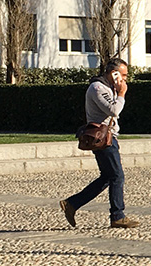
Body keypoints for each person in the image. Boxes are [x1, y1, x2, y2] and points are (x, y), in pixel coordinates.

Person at [60, 58, 140, 229]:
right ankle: (117, 216)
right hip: (102, 139)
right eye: (123, 75)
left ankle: (72, 204)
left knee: (107, 177)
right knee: (117, 176)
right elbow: (114, 110)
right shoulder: (97, 88)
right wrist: (121, 93)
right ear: (114, 73)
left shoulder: (108, 87)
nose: (125, 79)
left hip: (109, 137)